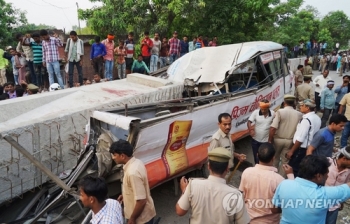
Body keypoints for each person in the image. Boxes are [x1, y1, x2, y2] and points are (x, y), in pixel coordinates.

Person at [176, 147, 250, 224]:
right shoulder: (236, 195)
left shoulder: (193, 185)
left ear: (208, 166)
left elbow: (180, 211)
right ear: (227, 169)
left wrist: (184, 191)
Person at [272, 155, 350, 224]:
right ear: (318, 176)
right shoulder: (325, 194)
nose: (327, 177)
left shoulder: (284, 184)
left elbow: (274, 209)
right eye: (326, 174)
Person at [239, 143, 294, 224]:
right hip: (269, 221)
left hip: (249, 219)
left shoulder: (247, 172)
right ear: (273, 158)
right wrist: (290, 175)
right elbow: (292, 194)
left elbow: (242, 196)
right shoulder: (279, 180)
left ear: (257, 155)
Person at [110, 140, 156, 224]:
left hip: (142, 219)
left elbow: (141, 201)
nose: (113, 157)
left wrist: (132, 219)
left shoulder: (132, 173)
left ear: (123, 156)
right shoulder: (137, 162)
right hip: (145, 213)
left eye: (115, 155)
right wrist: (125, 195)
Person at [269, 95, 302, 176]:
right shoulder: (299, 114)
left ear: (284, 103)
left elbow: (273, 128)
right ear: (294, 103)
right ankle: (280, 179)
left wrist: (269, 140)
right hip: (290, 141)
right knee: (285, 161)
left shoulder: (280, 112)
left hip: (278, 140)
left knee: (275, 158)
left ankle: (273, 176)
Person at [286, 99, 321, 177]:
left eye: (302, 106)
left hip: (300, 149)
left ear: (307, 108)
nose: (300, 107)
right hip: (308, 148)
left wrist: (291, 151)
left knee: (294, 169)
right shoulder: (317, 118)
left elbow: (300, 139)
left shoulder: (306, 120)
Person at [208, 113, 246, 178]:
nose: (228, 127)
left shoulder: (228, 134)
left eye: (229, 124)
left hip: (227, 171)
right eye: (225, 124)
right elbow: (211, 159)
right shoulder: (216, 139)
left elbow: (227, 150)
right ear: (219, 124)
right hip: (221, 174)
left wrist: (237, 155)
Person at [325, 146, 350, 224]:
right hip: (319, 203)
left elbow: (345, 186)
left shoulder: (348, 171)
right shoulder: (326, 163)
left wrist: (342, 201)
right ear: (344, 158)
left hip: (334, 205)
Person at [247, 99, 275, 164]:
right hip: (255, 140)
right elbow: (249, 122)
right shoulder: (256, 112)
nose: (263, 111)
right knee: (256, 157)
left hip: (266, 141)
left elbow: (275, 126)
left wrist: (271, 139)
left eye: (265, 109)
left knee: (265, 158)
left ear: (268, 108)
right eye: (262, 109)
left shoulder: (273, 113)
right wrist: (250, 130)